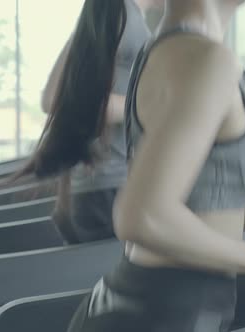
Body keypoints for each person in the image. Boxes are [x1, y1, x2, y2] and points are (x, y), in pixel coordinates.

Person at [26, 0, 245, 330]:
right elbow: (141, 217)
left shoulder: (171, 50)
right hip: (164, 309)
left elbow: (216, 210)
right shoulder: (205, 61)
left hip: (147, 303)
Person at [20, 0, 156, 244]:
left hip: (93, 188)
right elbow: (67, 101)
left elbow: (54, 99)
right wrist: (150, 105)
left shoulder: (112, 14)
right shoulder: (124, 19)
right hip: (107, 188)